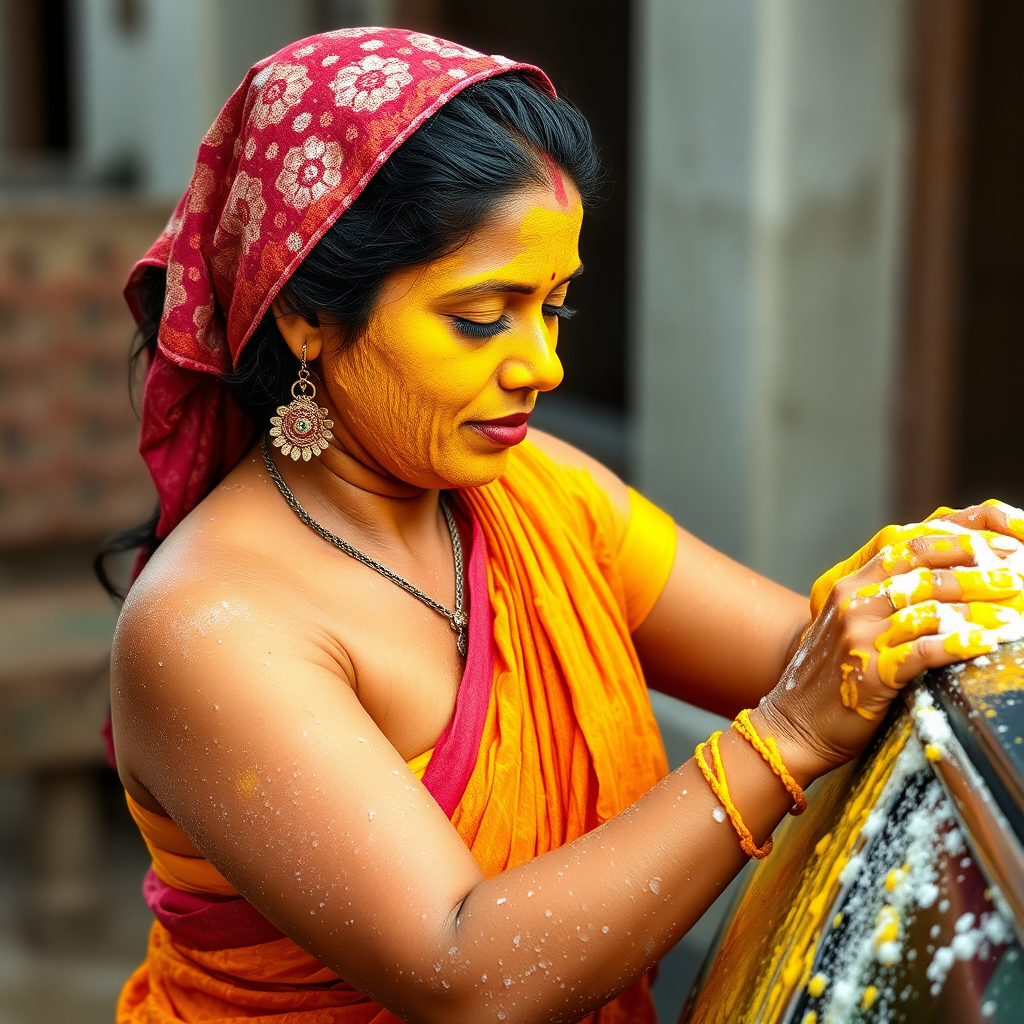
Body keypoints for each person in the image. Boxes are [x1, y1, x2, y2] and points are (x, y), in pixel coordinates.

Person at [105, 27, 1024, 1024]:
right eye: (481, 315)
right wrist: (786, 737)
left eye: (554, 308)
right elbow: (464, 972)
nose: (540, 363)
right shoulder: (211, 627)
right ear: (306, 318)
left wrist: (940, 581)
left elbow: (811, 659)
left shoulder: (533, 493)